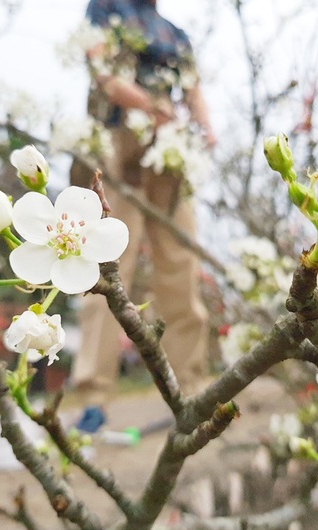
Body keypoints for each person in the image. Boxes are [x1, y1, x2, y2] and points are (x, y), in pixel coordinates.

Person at [71, 0, 215, 432]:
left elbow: (192, 89)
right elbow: (103, 75)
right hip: (120, 146)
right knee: (108, 267)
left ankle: (190, 386)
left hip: (168, 152)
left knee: (180, 263)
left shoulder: (175, 33)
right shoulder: (105, 9)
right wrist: (150, 105)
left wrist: (205, 128)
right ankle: (93, 394)